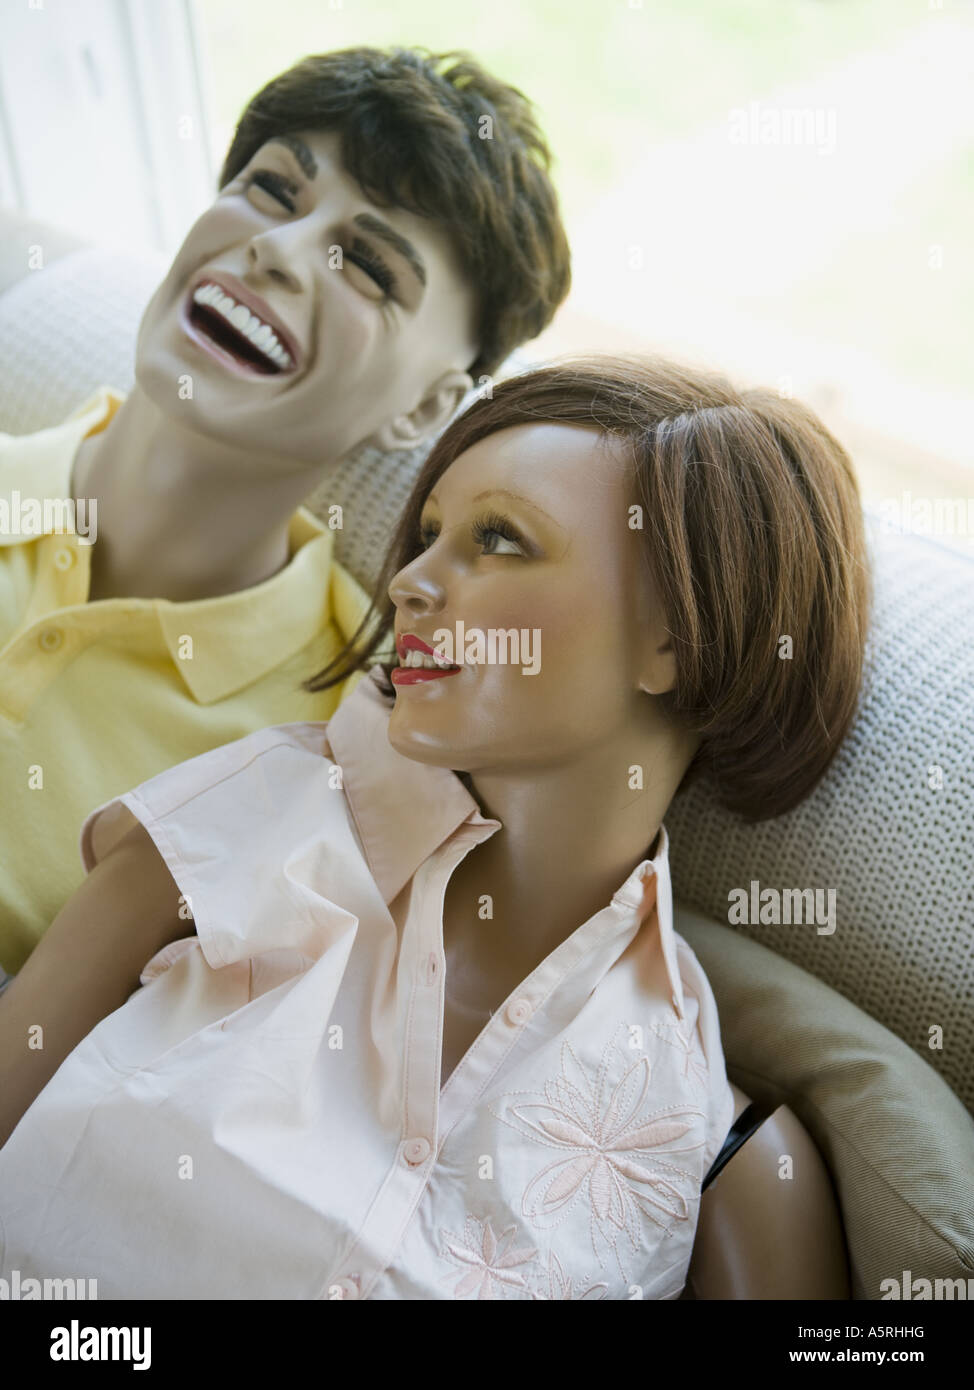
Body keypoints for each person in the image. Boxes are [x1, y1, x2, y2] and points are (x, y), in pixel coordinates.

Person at [0, 356, 868, 1299]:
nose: (412, 579)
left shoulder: (729, 1162)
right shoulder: (231, 834)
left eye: (497, 539)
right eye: (427, 534)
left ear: (678, 637)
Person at [0, 46, 571, 977]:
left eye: (373, 269)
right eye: (273, 190)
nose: (281, 249)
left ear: (427, 409)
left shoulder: (359, 743)